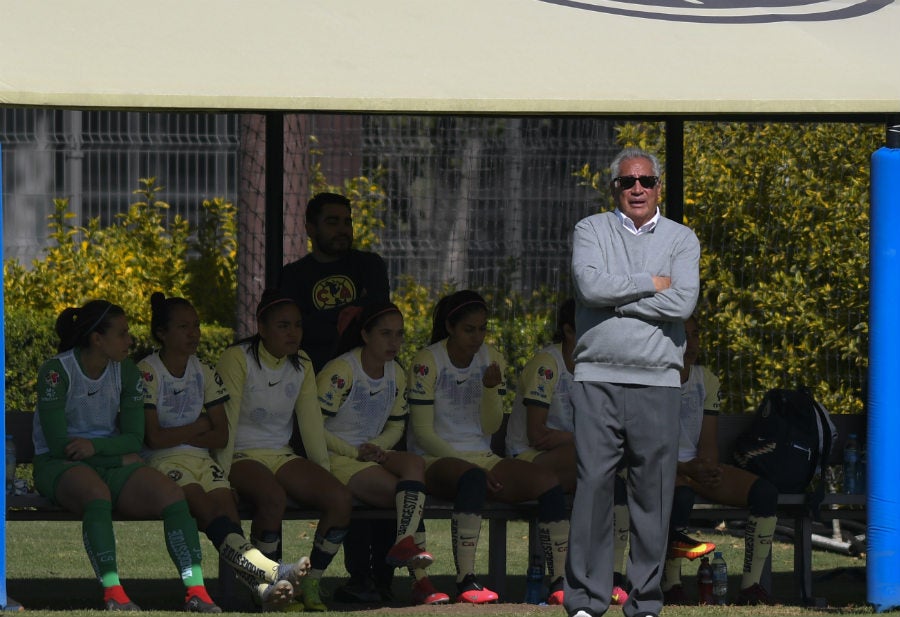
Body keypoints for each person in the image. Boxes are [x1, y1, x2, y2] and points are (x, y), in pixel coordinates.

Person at [564, 147, 701, 617]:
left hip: (659, 382)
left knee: (653, 496)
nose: (637, 188)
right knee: (593, 489)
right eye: (627, 182)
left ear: (658, 186)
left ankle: (644, 601)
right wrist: (651, 283)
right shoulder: (590, 229)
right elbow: (589, 287)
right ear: (615, 189)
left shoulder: (683, 239)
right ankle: (585, 600)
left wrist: (618, 295)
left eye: (645, 180)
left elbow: (682, 305)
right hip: (596, 378)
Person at [32, 300, 220, 612]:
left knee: (172, 496)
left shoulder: (128, 371)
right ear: (97, 339)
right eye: (122, 334)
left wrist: (101, 451)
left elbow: (134, 439)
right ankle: (113, 593)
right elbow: (56, 445)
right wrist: (116, 458)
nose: (130, 341)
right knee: (96, 494)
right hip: (57, 465)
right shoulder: (56, 371)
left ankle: (196, 590)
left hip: (105, 461)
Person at [139, 293, 310, 611]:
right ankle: (272, 571)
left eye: (196, 326)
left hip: (203, 460)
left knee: (228, 518)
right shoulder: (147, 372)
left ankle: (262, 592)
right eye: (183, 327)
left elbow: (220, 435)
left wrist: (184, 432)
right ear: (162, 333)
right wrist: (196, 426)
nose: (194, 333)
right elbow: (154, 439)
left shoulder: (203, 370)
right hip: (164, 461)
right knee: (205, 510)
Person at [408, 289, 571, 605]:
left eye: (483, 328)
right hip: (435, 459)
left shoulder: (492, 358)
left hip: (482, 457)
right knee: (471, 478)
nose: (478, 337)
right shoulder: (428, 360)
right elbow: (424, 433)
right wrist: (474, 467)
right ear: (451, 327)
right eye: (470, 329)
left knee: (548, 484)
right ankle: (465, 581)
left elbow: (490, 426)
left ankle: (559, 581)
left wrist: (491, 390)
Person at [278, 191, 394, 601]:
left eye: (346, 221)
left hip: (369, 392)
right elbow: (286, 329)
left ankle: (381, 577)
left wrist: (322, 323)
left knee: (380, 478)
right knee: (352, 479)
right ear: (310, 229)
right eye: (331, 221)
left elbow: (378, 316)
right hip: (318, 400)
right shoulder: (293, 276)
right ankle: (359, 575)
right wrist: (342, 318)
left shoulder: (369, 266)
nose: (342, 229)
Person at [214, 290, 354, 611]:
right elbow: (228, 421)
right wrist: (221, 477)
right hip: (240, 455)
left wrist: (324, 476)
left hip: (280, 454)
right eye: (283, 326)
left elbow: (311, 426)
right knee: (272, 497)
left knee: (340, 499)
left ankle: (309, 584)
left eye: (298, 326)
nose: (293, 333)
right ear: (261, 328)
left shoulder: (302, 363)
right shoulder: (237, 358)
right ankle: (268, 586)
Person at [316, 302, 450, 606]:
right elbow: (314, 428)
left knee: (414, 465)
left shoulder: (396, 373)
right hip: (338, 458)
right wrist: (354, 451)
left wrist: (377, 447)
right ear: (365, 334)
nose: (394, 342)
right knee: (404, 498)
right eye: (385, 334)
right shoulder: (340, 371)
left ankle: (400, 551)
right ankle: (415, 581)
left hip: (373, 452)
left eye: (399, 335)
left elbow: (396, 423)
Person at [506, 298, 630, 607]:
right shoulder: (547, 364)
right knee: (607, 460)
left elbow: (608, 429)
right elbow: (537, 435)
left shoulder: (598, 365)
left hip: (573, 455)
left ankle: (614, 577)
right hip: (527, 459)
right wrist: (584, 439)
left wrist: (572, 438)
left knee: (617, 474)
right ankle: (560, 580)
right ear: (569, 331)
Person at [661, 316, 778, 606]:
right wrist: (684, 471)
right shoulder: (655, 379)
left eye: (696, 334)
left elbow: (709, 440)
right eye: (684, 336)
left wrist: (708, 468)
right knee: (681, 495)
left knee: (765, 493)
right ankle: (671, 585)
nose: (691, 344)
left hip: (693, 470)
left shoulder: (707, 380)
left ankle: (751, 588)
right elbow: (646, 447)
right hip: (659, 469)